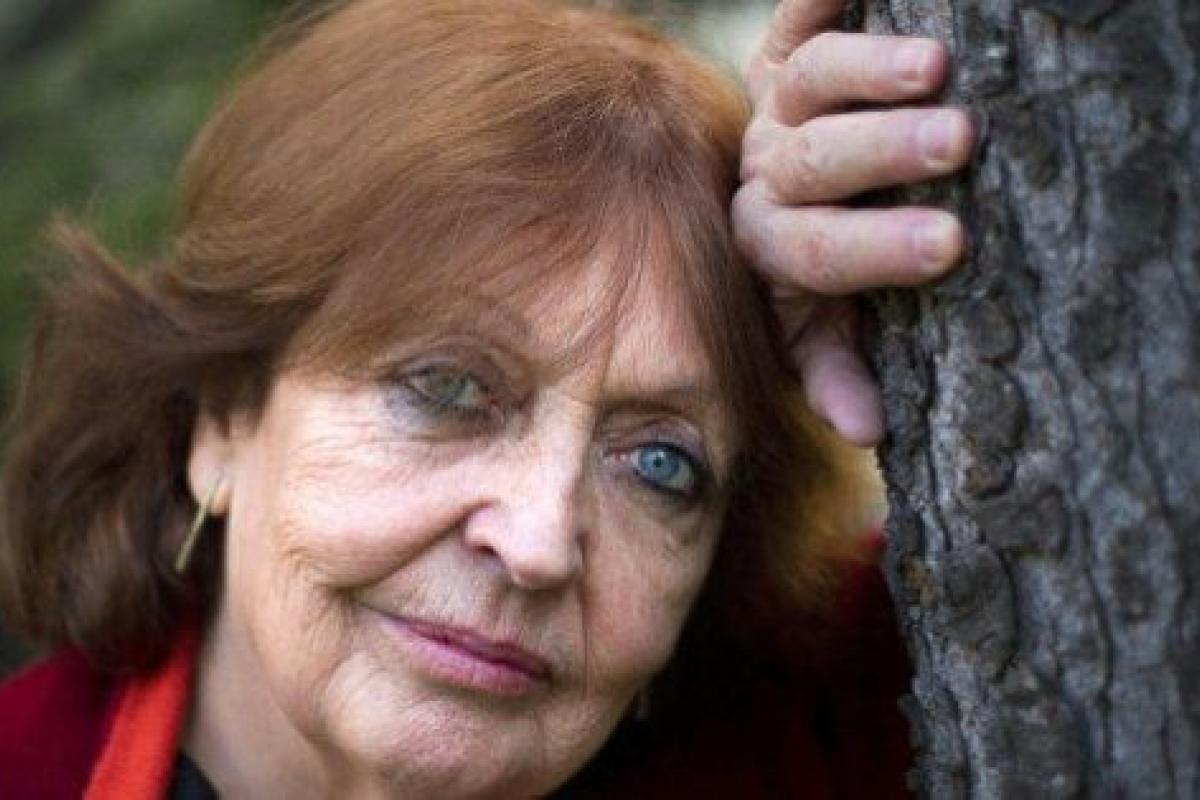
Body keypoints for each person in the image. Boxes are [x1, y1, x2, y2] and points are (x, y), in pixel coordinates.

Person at [0, 0, 971, 797]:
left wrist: (911, 306)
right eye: (446, 389)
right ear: (222, 415)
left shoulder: (826, 740)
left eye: (660, 463)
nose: (538, 542)